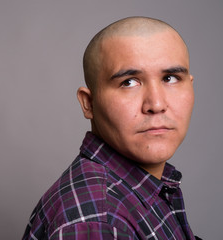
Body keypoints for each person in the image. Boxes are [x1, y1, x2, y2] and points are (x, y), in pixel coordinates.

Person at [22, 16, 201, 240]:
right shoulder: (100, 220)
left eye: (171, 78)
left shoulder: (144, 188)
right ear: (89, 103)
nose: (156, 104)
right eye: (129, 82)